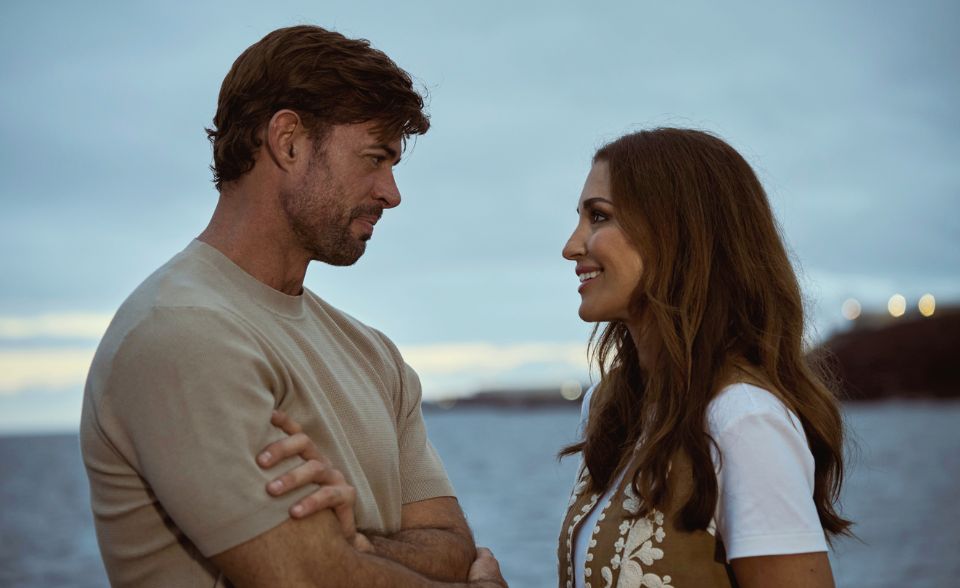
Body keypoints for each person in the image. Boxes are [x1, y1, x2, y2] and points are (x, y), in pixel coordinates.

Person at [80, 25, 505, 588]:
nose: (392, 192)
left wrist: (351, 544)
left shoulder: (374, 355)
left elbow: (453, 546)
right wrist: (340, 556)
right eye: (374, 158)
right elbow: (307, 577)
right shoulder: (181, 332)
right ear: (288, 141)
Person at [557, 128, 851, 588]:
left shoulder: (744, 421)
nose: (571, 246)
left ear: (676, 233)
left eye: (598, 216)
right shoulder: (607, 406)